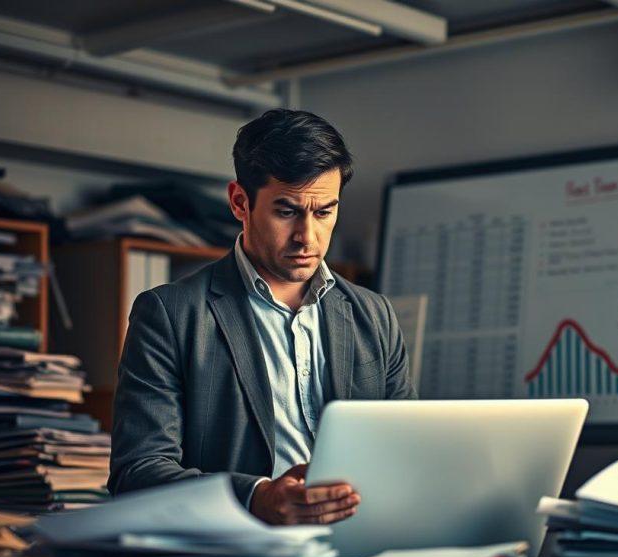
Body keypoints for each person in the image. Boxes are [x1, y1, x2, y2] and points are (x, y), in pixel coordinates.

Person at [108, 109, 417, 525]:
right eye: (287, 211)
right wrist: (255, 497)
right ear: (240, 202)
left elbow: (407, 451)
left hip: (362, 541)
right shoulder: (169, 314)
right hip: (244, 550)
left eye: (324, 212)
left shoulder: (374, 315)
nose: (307, 237)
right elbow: (137, 472)